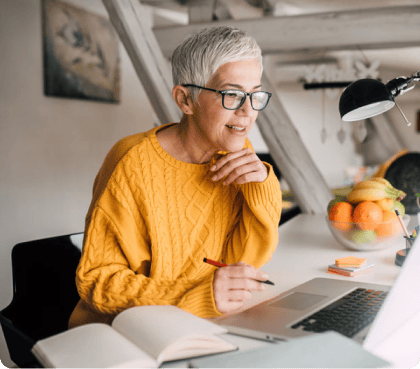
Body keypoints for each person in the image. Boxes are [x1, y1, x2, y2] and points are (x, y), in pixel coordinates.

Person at [68, 26, 282, 329]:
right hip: (119, 331)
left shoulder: (233, 154)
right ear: (185, 100)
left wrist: (262, 187)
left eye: (255, 94)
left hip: (195, 322)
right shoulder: (131, 161)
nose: (248, 111)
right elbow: (98, 282)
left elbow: (244, 262)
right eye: (232, 94)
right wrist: (194, 295)